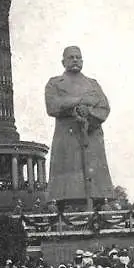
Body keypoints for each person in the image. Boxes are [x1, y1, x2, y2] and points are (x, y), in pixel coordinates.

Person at [45, 46, 113, 207]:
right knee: (67, 177)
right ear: (63, 62)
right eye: (71, 57)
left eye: (78, 57)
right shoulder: (54, 83)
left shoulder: (93, 84)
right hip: (67, 136)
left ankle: (100, 201)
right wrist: (80, 101)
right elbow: (53, 106)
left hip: (91, 134)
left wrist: (88, 113)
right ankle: (64, 203)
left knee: (96, 175)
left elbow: (104, 107)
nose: (75, 60)